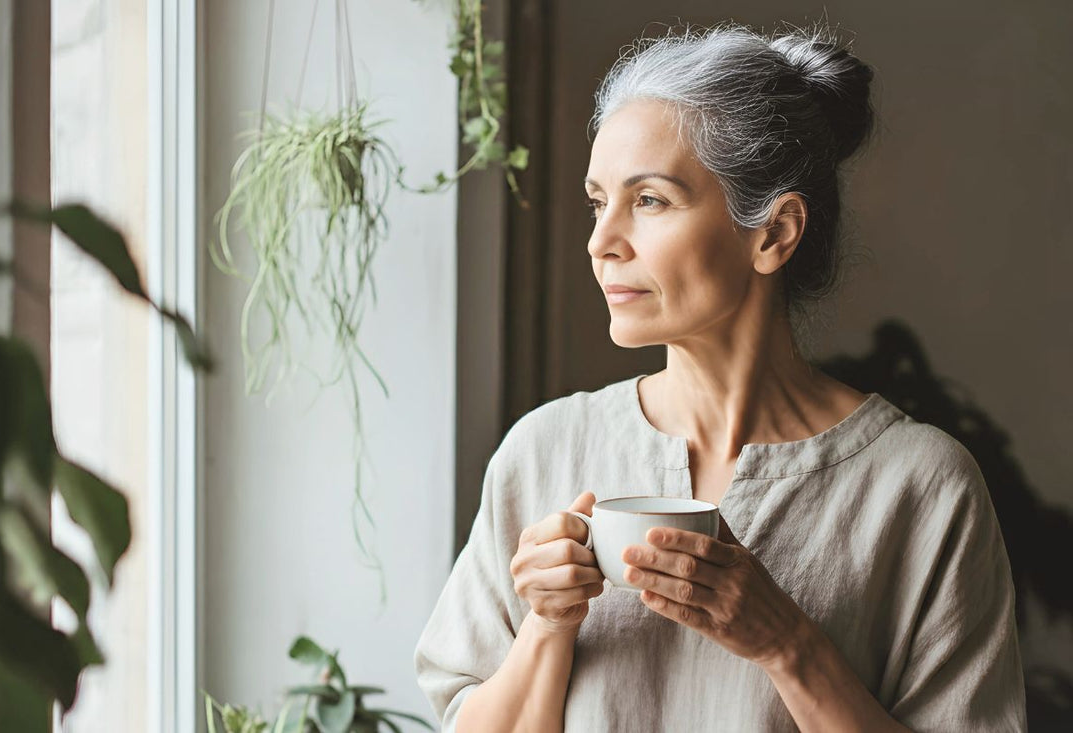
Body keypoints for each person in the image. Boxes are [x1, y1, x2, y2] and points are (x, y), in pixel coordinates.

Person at [414, 20, 1026, 732]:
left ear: (773, 233)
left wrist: (786, 643)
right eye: (596, 201)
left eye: (649, 200)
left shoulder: (921, 487)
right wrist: (547, 626)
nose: (600, 241)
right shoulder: (542, 451)